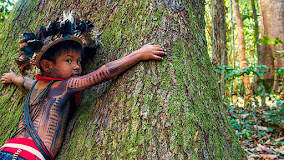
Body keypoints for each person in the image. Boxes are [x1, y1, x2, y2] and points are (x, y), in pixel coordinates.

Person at [0, 13, 166, 160]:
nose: (77, 66)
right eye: (69, 60)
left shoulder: (39, 86)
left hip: (8, 150)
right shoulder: (65, 85)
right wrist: (138, 54)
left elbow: (25, 82)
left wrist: (13, 78)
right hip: (26, 156)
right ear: (47, 65)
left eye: (79, 61)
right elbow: (102, 73)